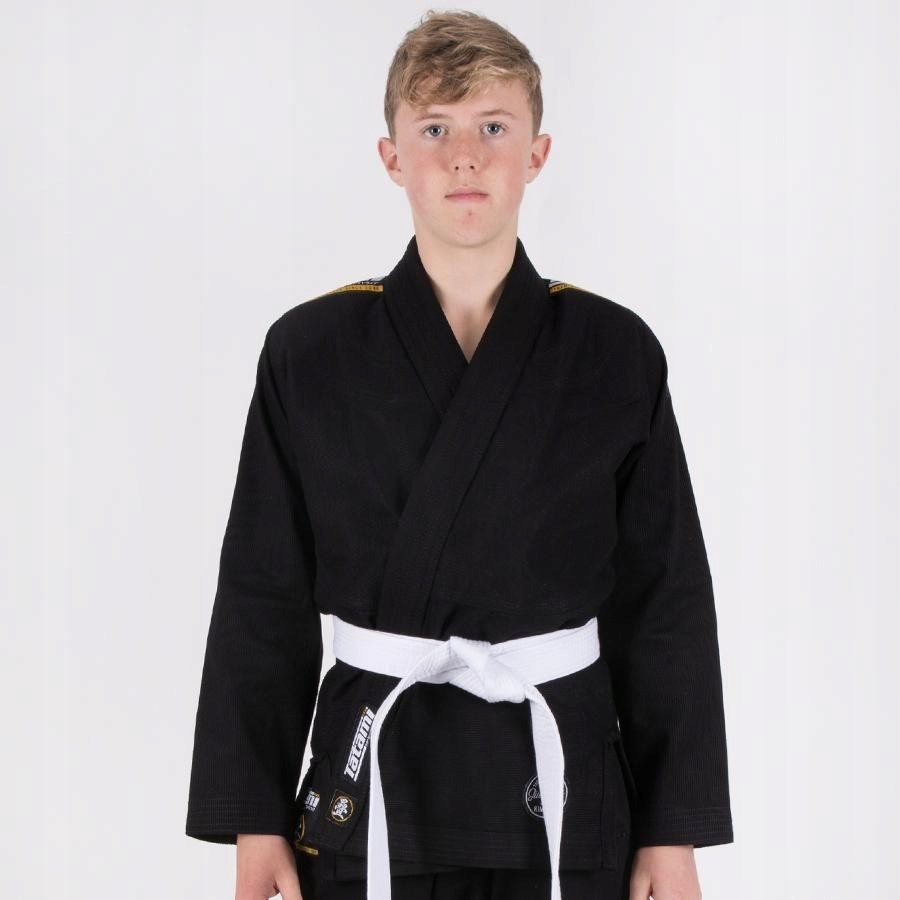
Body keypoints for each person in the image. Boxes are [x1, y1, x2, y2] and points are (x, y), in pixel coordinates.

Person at [185, 10, 734, 900]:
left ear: (538, 153)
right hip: (374, 791)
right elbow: (262, 594)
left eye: (493, 127)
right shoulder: (309, 352)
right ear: (392, 157)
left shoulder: (614, 351)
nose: (465, 158)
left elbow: (664, 600)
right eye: (435, 129)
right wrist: (255, 819)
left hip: (564, 797)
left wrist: (673, 830)